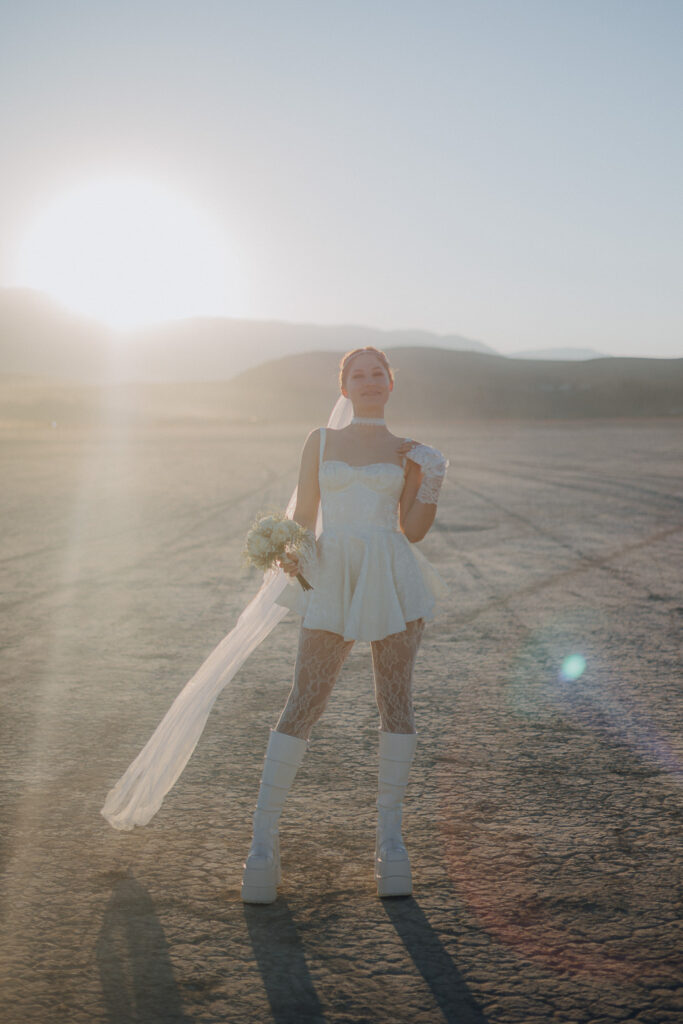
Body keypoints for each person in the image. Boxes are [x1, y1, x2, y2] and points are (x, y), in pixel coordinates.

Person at [241, 346, 448, 904]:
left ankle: (390, 842)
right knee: (304, 698)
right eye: (358, 375)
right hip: (332, 573)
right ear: (344, 387)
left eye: (378, 374)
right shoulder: (321, 440)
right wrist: (287, 550)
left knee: (395, 701)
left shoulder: (407, 451)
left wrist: (432, 474)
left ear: (390, 383)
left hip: (392, 574)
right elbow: (306, 512)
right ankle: (263, 842)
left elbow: (415, 530)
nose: (369, 382)